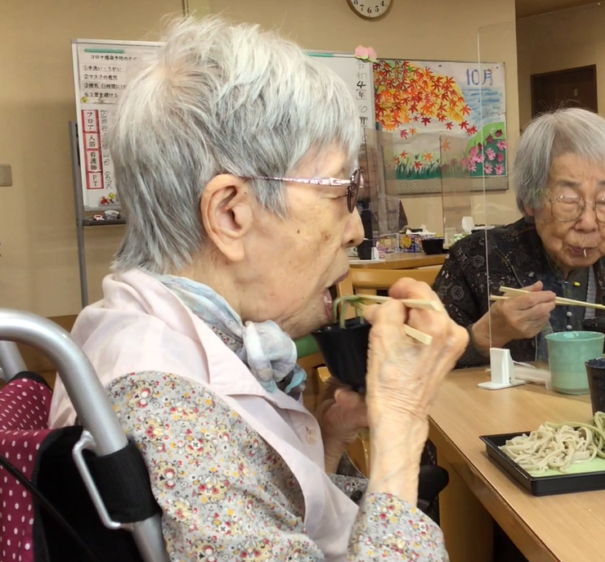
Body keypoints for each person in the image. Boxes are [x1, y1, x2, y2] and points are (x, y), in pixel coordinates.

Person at [48, 18, 466, 561]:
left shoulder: (147, 331)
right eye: (342, 190)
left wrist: (328, 438)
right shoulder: (167, 409)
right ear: (231, 213)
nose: (357, 227)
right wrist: (403, 423)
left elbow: (266, 520)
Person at [433, 108, 605, 366]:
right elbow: (418, 357)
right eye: (568, 200)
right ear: (531, 201)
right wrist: (487, 336)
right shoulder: (478, 258)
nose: (588, 223)